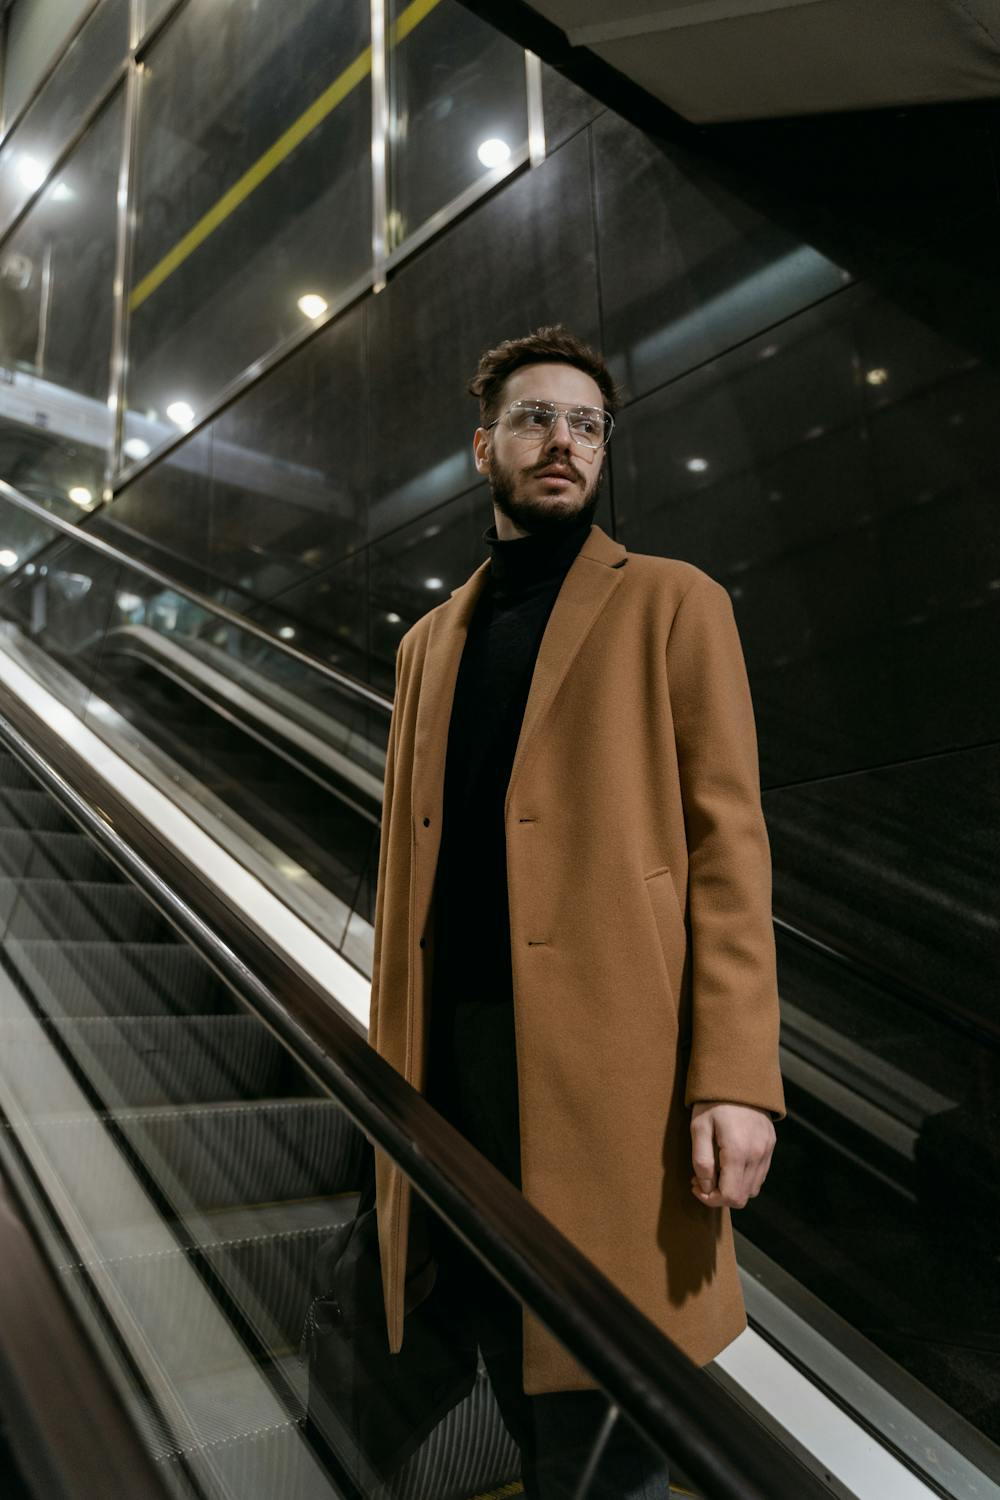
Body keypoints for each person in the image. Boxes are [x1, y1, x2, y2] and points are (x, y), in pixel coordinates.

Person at [367, 324, 786, 1497]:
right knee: (501, 1344)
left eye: (588, 425)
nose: (564, 442)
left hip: (615, 1065)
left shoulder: (670, 603)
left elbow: (729, 848)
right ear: (482, 445)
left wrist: (738, 1076)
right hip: (449, 1068)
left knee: (616, 1390)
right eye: (536, 419)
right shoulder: (424, 646)